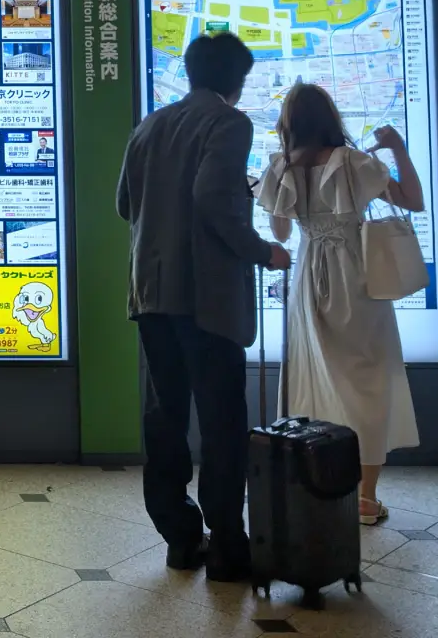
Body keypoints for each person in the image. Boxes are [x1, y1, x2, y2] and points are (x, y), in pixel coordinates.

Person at [116, 32, 291, 579]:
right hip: (205, 297)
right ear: (237, 81)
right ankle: (228, 546)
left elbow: (126, 204)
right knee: (221, 420)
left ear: (192, 72)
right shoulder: (228, 123)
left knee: (165, 417)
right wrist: (263, 250)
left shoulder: (151, 124)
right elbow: (212, 197)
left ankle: (178, 536)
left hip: (151, 292)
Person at [261, 84, 422, 526]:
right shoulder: (356, 163)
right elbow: (413, 201)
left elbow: (278, 234)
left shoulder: (279, 166)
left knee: (311, 380)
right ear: (330, 117)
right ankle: (366, 498)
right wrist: (398, 149)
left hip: (308, 275)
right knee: (369, 380)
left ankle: (316, 489)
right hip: (357, 277)